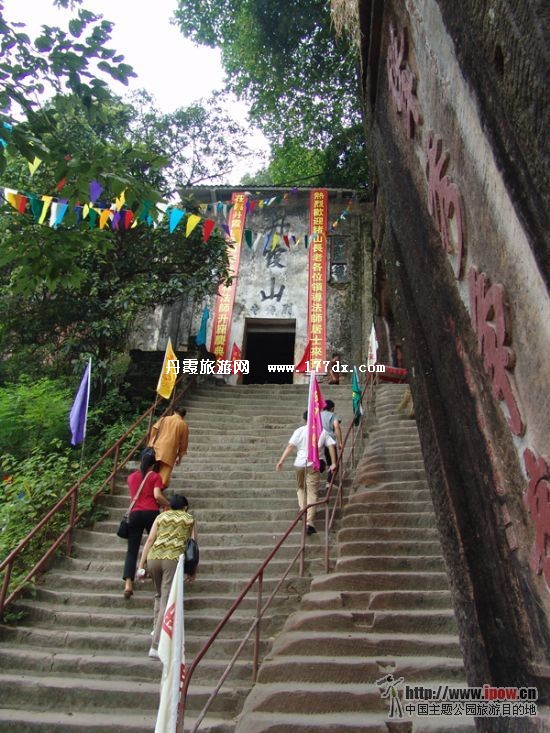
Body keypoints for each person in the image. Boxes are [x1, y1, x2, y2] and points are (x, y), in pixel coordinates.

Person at [137, 494, 196, 658]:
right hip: (172, 559)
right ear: (185, 507)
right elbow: (192, 545)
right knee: (167, 599)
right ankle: (156, 645)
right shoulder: (189, 519)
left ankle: (155, 628)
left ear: (169, 506)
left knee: (159, 594)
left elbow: (149, 540)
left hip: (154, 557)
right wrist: (192, 570)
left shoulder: (161, 516)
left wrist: (141, 566)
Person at [276, 411, 337, 535]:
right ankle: (310, 522)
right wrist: (333, 462)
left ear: (304, 419)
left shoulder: (299, 431)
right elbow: (331, 445)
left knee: (300, 488)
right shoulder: (322, 431)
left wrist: (281, 461)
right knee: (312, 492)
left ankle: (303, 508)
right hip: (313, 465)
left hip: (299, 464)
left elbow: (290, 446)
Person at [122, 450, 170, 599]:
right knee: (155, 544)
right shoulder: (155, 476)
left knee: (132, 550)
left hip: (135, 514)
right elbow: (157, 495)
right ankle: (150, 572)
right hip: (151, 513)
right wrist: (167, 503)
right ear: (153, 464)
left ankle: (128, 583)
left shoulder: (131, 478)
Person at [148, 405, 189, 487]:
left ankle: (147, 486)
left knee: (151, 469)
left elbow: (154, 429)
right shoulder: (184, 425)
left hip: (157, 448)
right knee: (163, 476)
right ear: (183, 416)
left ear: (174, 412)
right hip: (170, 452)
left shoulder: (164, 419)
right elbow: (183, 444)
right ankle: (157, 490)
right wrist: (179, 458)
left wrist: (151, 443)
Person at [321, 400, 343, 484]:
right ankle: (329, 482)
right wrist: (340, 442)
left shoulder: (318, 415)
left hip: (318, 442)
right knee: (333, 463)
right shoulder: (333, 415)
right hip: (329, 442)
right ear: (332, 408)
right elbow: (336, 427)